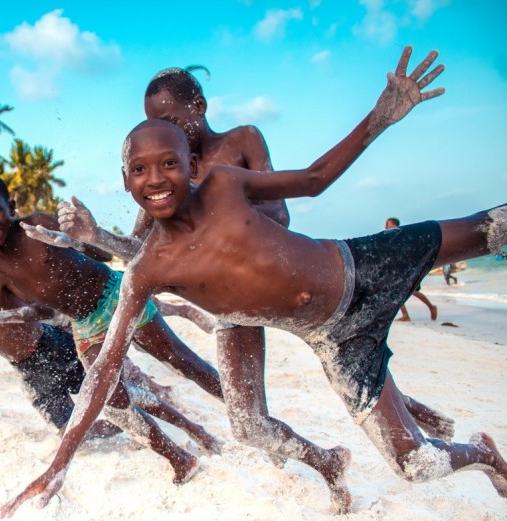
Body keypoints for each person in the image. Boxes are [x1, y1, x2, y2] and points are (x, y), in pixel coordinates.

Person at [0, 47, 507, 517]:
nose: (155, 179)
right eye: (139, 170)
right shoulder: (149, 264)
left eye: (170, 161)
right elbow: (104, 369)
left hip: (360, 268)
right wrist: (58, 463)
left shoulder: (225, 179)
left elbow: (311, 180)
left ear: (190, 164)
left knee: (489, 229)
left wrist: (381, 115)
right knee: (414, 463)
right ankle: (482, 451)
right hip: (332, 338)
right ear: (125, 179)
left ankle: (416, 409)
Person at [47, 64, 453, 464]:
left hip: (280, 276)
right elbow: (139, 252)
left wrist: (205, 202)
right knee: (248, 425)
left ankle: (419, 413)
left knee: (347, 354)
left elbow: (281, 214)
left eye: (170, 120)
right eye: (153, 123)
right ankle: (329, 462)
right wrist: (95, 235)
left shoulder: (237, 145)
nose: (164, 132)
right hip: (231, 307)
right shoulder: (163, 182)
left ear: (200, 106)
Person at [0, 175, 226, 484]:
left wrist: (77, 236)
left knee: (183, 362)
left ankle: (244, 415)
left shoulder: (36, 224)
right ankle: (180, 459)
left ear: (11, 207)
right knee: (114, 405)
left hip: (115, 297)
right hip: (84, 324)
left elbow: (100, 256)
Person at [0, 226, 220, 451]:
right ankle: (137, 428)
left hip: (53, 345)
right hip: (30, 371)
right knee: (75, 431)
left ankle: (184, 422)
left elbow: (38, 309)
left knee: (114, 393)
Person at [385, 217, 438, 321]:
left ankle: (431, 307)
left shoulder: (401, 236)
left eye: (388, 225)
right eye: (386, 225)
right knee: (396, 293)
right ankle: (405, 315)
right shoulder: (391, 238)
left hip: (408, 270)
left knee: (413, 291)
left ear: (395, 225)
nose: (386, 227)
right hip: (398, 270)